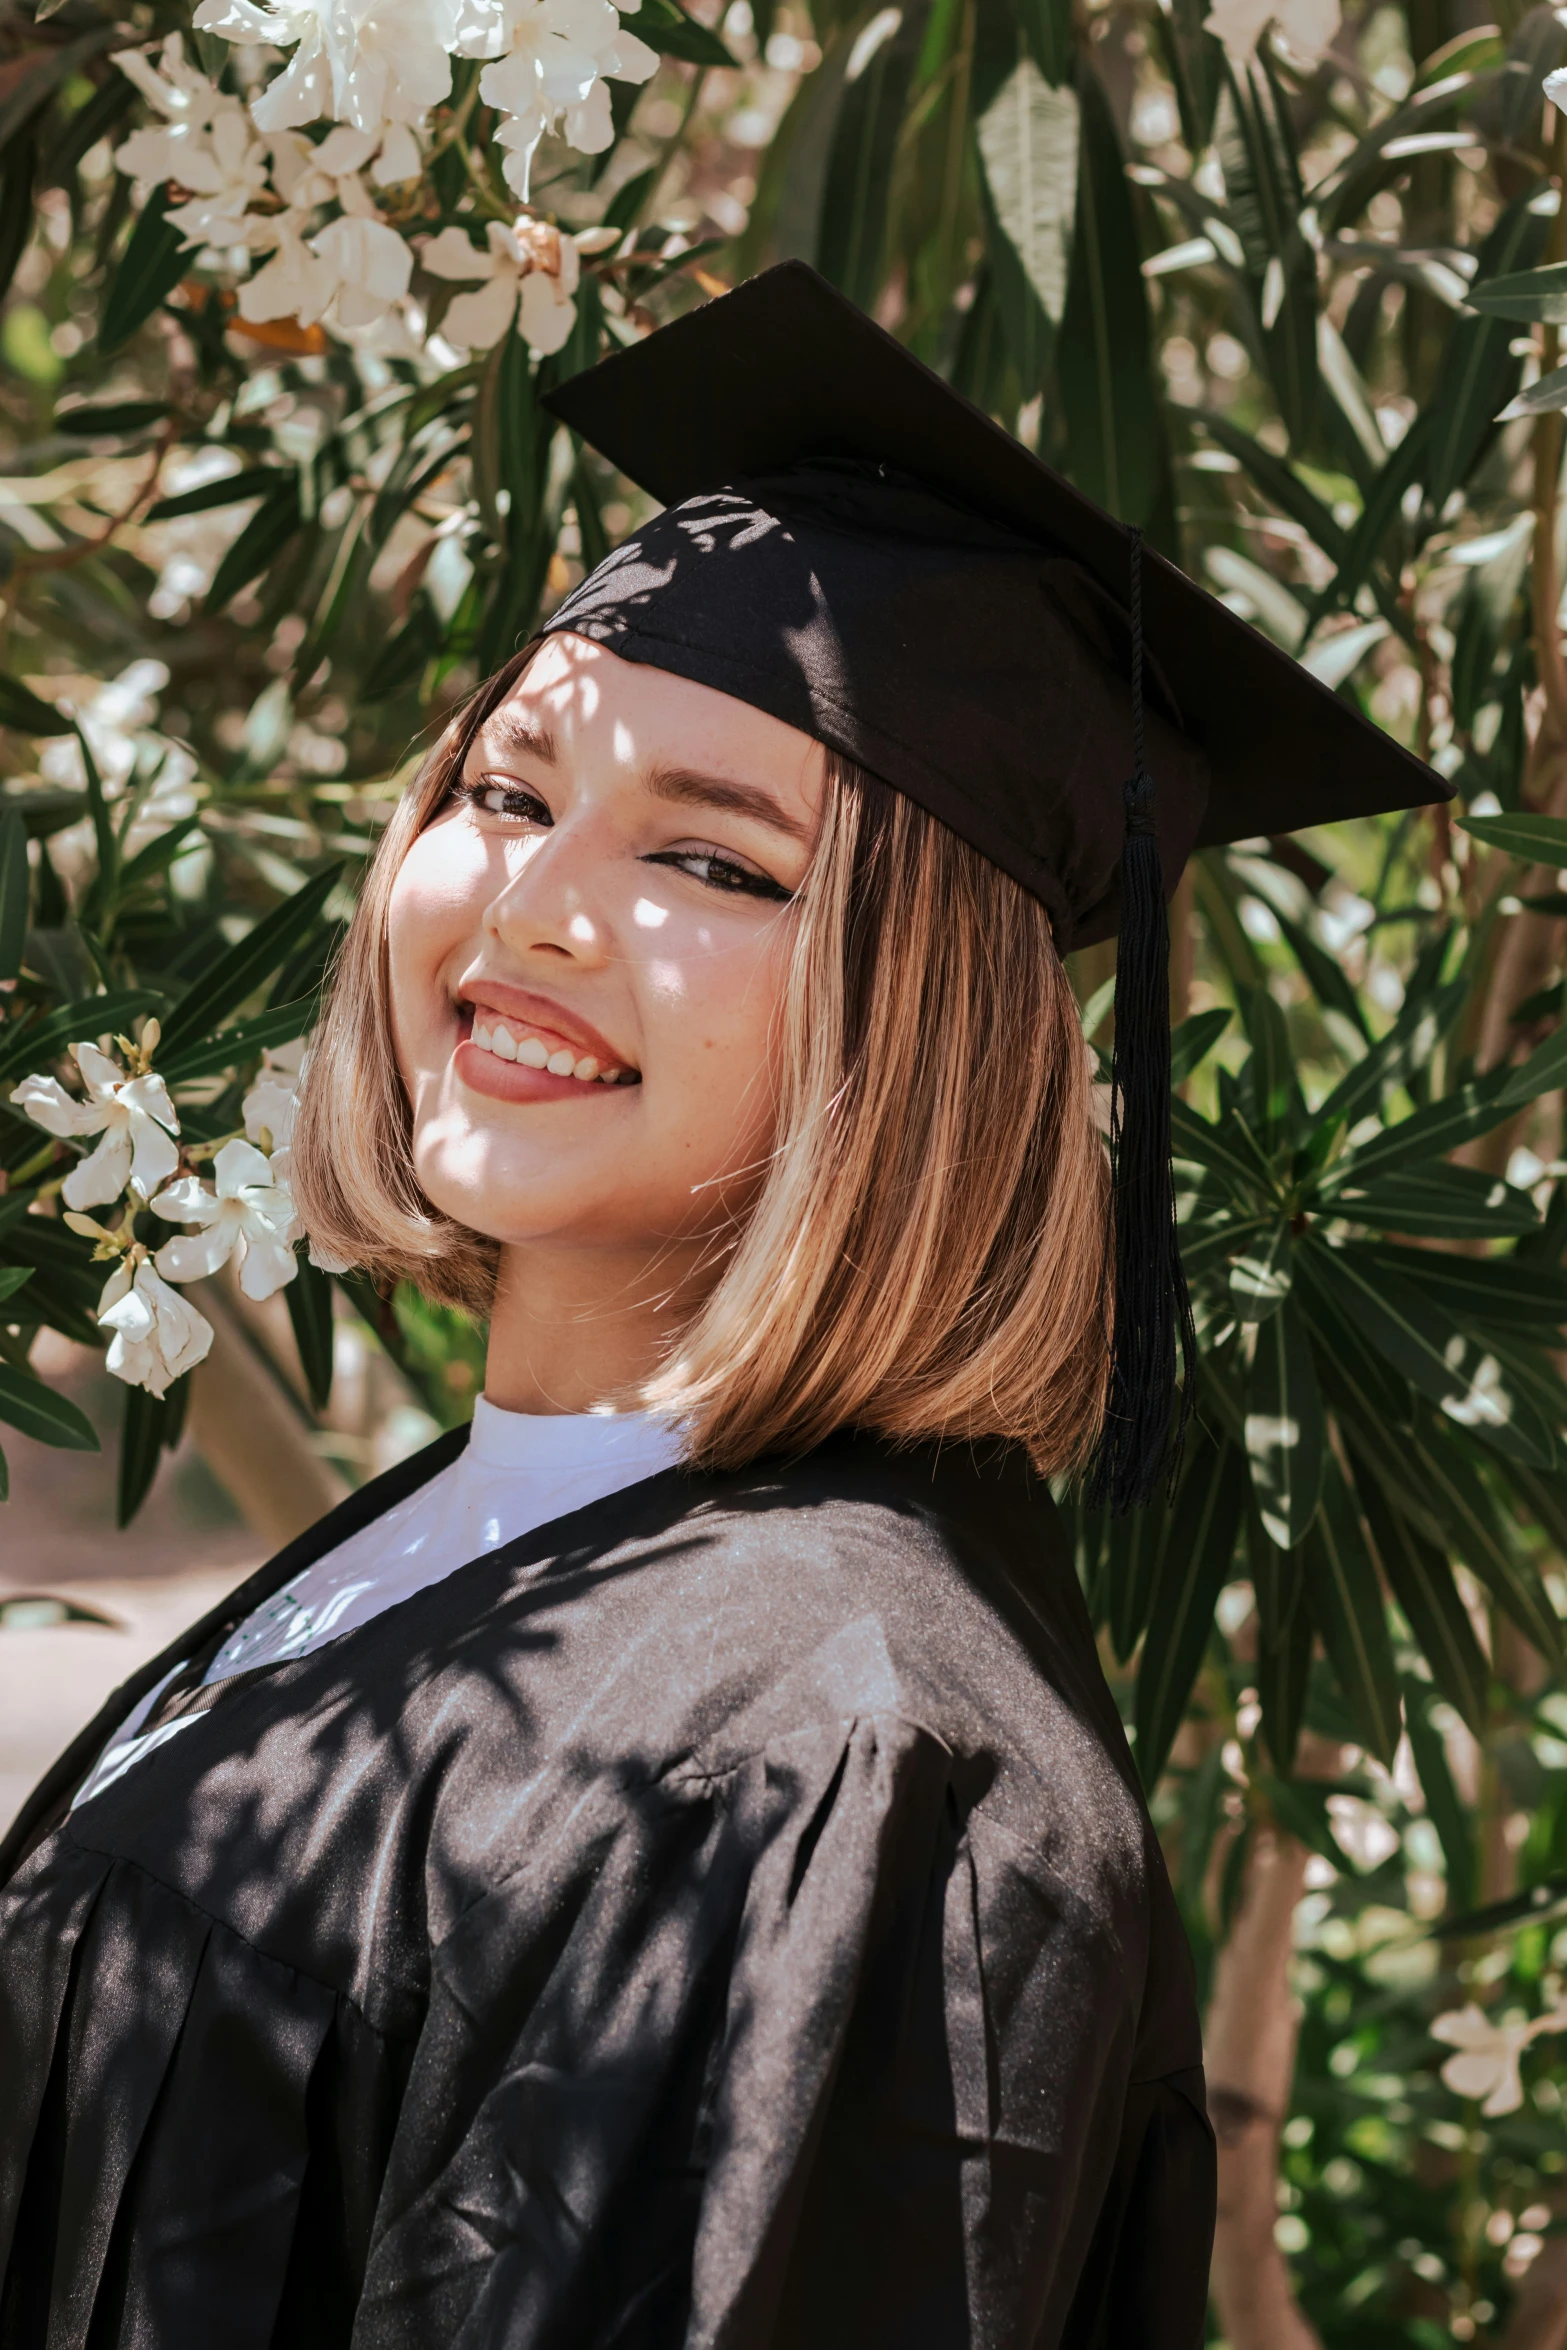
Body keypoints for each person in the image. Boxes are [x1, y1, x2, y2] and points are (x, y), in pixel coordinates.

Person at [0, 264, 1438, 2348]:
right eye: (508, 792)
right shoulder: (475, 1527)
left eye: (722, 863)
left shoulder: (849, 1755)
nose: (535, 901)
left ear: (925, 1021)